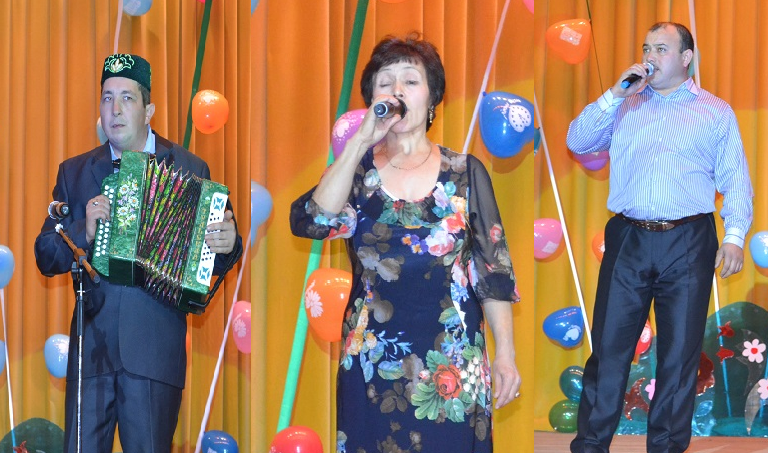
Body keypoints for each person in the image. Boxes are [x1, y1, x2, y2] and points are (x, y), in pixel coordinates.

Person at [290, 33, 521, 452]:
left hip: (453, 364)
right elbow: (312, 220)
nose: (397, 90)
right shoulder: (357, 175)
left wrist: (505, 354)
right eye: (386, 82)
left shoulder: (464, 173)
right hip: (372, 364)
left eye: (410, 81)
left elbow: (493, 272)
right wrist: (359, 143)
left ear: (432, 98)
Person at [34, 54, 242, 452]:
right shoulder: (74, 172)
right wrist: (82, 230)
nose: (115, 109)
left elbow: (213, 257)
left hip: (154, 355)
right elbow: (45, 254)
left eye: (127, 98)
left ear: (148, 110)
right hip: (91, 354)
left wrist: (228, 243)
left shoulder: (190, 167)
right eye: (107, 97)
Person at [566, 22, 753, 453]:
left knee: (679, 356)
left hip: (689, 241)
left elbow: (736, 180)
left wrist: (735, 236)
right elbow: (578, 141)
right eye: (646, 48)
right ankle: (590, 445)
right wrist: (614, 94)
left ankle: (666, 447)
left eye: (661, 49)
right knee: (609, 350)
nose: (650, 56)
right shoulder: (625, 104)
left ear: (686, 58)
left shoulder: (715, 112)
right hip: (628, 238)